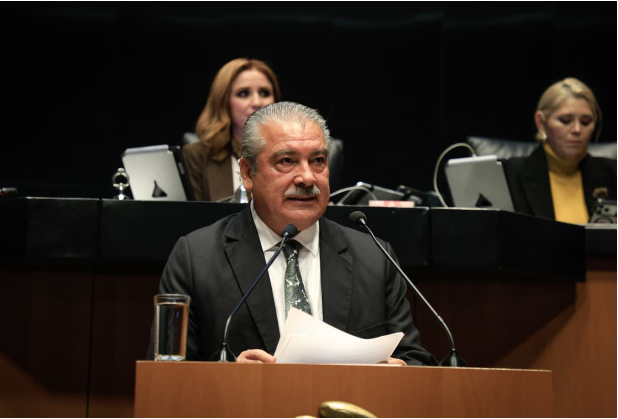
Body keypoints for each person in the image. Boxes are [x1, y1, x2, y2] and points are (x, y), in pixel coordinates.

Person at [156, 101, 437, 366]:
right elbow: (167, 372)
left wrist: (395, 371)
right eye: (287, 161)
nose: (307, 177)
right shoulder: (196, 259)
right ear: (248, 173)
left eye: (318, 160)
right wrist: (230, 377)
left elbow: (415, 360)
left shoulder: (374, 258)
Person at [503, 77, 616, 223]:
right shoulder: (510, 175)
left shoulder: (613, 174)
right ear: (541, 123)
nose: (577, 129)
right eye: (565, 120)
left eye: (585, 122)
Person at [183, 58, 282, 201]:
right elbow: (193, 214)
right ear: (223, 102)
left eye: (264, 93)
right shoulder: (197, 156)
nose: (257, 102)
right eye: (243, 93)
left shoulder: (294, 152)